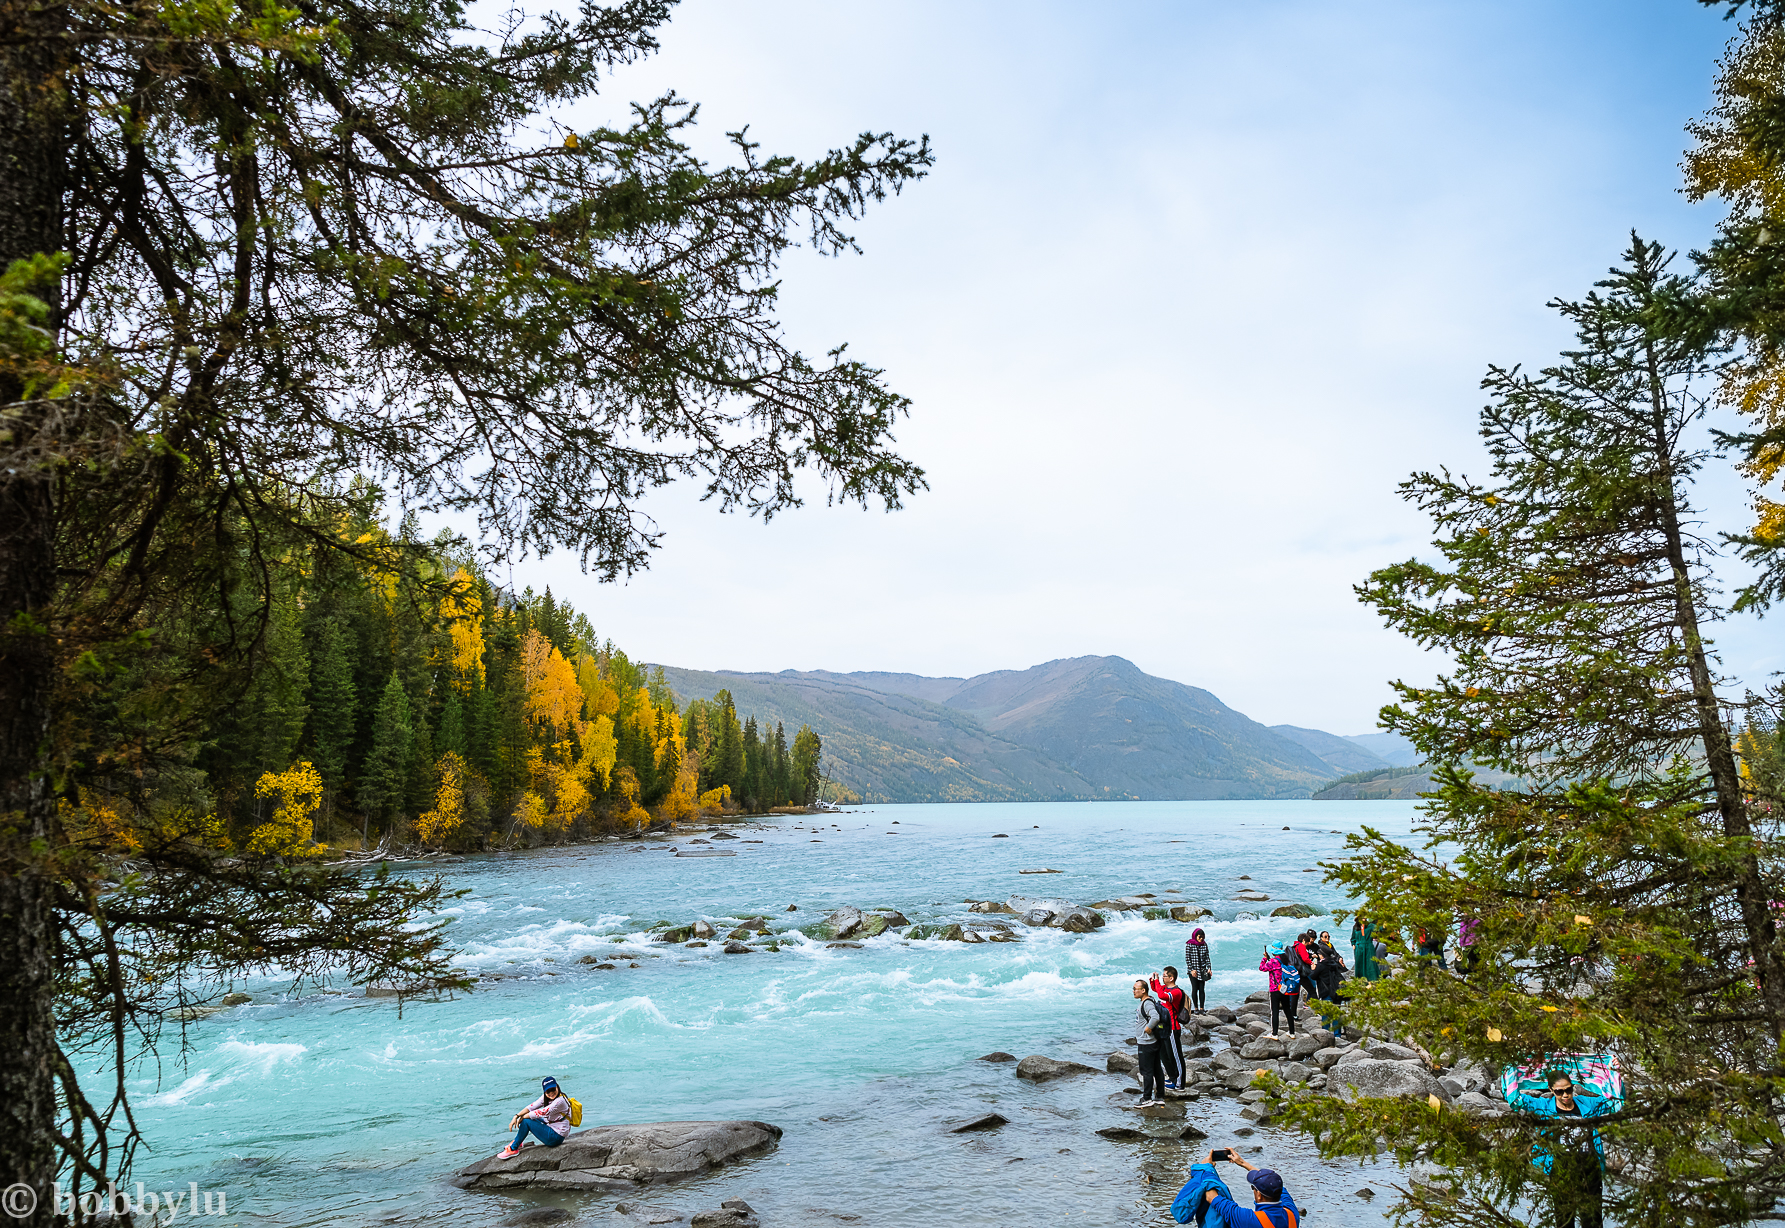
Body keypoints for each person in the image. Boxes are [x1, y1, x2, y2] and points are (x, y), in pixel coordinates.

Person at [1504, 1070, 1611, 1228]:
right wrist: (1509, 1071)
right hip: (1561, 1169)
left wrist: (1614, 1071)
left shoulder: (1586, 1104)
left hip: (1590, 1168)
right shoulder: (1543, 1106)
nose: (1565, 1095)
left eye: (1568, 1090)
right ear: (1551, 1090)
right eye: (1560, 1092)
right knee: (1564, 1221)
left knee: (1593, 1220)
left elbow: (1613, 1102)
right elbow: (1515, 1100)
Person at [1199, 1149, 1301, 1228]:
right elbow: (1276, 1185)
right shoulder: (1292, 1214)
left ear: (1259, 1195)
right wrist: (1242, 1163)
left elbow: (1211, 1197)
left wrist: (1207, 1168)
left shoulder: (1248, 1220)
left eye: (1253, 1188)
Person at [498, 1076, 573, 1159]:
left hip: (556, 1137)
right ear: (545, 1091)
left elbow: (542, 1112)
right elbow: (532, 1106)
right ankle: (518, 1142)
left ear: (557, 1087)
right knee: (528, 1118)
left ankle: (513, 1149)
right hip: (552, 1126)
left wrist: (522, 1117)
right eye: (548, 1091)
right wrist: (517, 1116)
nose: (551, 1093)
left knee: (526, 1121)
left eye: (553, 1089)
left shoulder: (560, 1101)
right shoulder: (547, 1097)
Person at [1132, 978, 1170, 1106]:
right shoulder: (1149, 1001)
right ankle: (1159, 1096)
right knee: (1157, 1069)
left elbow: (1155, 1017)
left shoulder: (1147, 1003)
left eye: (1135, 989)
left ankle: (1147, 1098)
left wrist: (1148, 1028)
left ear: (1143, 990)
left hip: (1147, 1042)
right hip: (1152, 1041)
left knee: (1146, 1071)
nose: (1133, 991)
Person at [1150, 966, 1189, 1089]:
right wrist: (1153, 980)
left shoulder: (1176, 992)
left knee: (1176, 1056)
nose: (1162, 978)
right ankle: (1172, 1077)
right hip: (1163, 1027)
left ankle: (1179, 1083)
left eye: (1164, 976)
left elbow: (1162, 996)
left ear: (1171, 978)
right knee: (1164, 1054)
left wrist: (1157, 982)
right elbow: (1155, 989)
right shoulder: (1165, 988)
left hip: (1172, 1028)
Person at [1258, 943, 1298, 1036]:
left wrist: (1264, 958)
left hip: (1275, 989)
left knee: (1275, 1012)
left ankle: (1274, 1034)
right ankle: (1292, 1032)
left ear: (1273, 952)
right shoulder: (1285, 960)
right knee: (1287, 1010)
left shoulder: (1273, 961)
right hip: (1284, 988)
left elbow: (1262, 968)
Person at [1183, 928, 1212, 1012]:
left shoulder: (1204, 945)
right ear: (1195, 936)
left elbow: (1207, 957)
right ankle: (1196, 1008)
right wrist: (1191, 970)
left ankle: (1202, 1008)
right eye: (1199, 937)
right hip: (1193, 971)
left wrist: (1209, 968)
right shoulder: (1189, 945)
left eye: (1202, 937)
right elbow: (1188, 959)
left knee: (1202, 989)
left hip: (1202, 970)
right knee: (1195, 989)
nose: (1201, 939)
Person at [1314, 929, 1346, 1002]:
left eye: (1328, 936)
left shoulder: (1330, 945)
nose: (1327, 938)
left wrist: (1340, 958)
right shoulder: (1322, 946)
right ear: (1321, 938)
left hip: (1332, 963)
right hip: (1327, 966)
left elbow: (1335, 953)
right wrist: (1337, 960)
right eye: (1325, 937)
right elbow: (1331, 955)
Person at [1351, 914, 1381, 981]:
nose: (1364, 919)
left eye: (1364, 918)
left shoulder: (1370, 926)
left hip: (1368, 946)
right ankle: (1360, 980)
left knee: (1370, 963)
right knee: (1359, 964)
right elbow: (1353, 938)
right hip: (1358, 948)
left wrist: (1385, 925)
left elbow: (1379, 928)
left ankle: (1372, 980)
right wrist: (1353, 945)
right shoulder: (1355, 927)